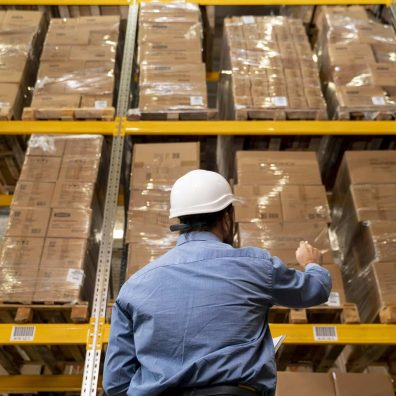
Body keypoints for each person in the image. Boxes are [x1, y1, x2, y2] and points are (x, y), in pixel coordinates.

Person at [103, 170, 332, 396]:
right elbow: (314, 290)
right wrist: (312, 263)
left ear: (180, 220)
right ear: (226, 218)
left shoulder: (134, 287)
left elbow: (116, 382)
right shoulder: (255, 266)